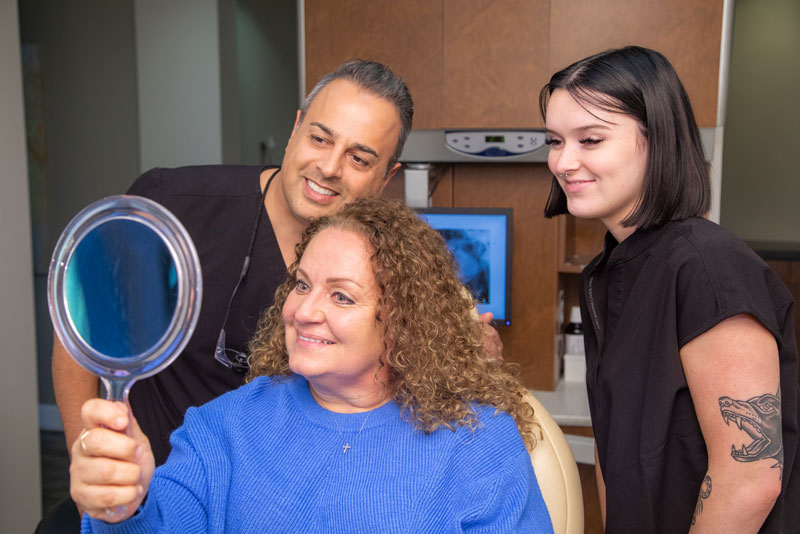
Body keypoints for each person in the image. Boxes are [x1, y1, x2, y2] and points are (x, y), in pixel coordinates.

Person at [43, 58, 503, 532]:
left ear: (386, 179)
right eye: (320, 138)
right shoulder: (174, 206)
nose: (328, 167)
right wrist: (99, 479)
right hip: (161, 499)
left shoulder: (387, 266)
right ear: (295, 127)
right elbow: (83, 333)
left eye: (359, 158)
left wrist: (464, 351)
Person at [69, 197, 554, 533]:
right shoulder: (226, 426)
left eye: (341, 296)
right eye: (302, 285)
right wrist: (123, 506)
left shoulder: (480, 444)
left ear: (402, 323)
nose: (302, 311)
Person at [540, 45, 800, 533]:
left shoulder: (708, 267)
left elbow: (751, 477)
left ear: (657, 140)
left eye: (591, 139)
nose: (564, 161)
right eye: (555, 140)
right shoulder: (609, 271)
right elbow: (614, 450)